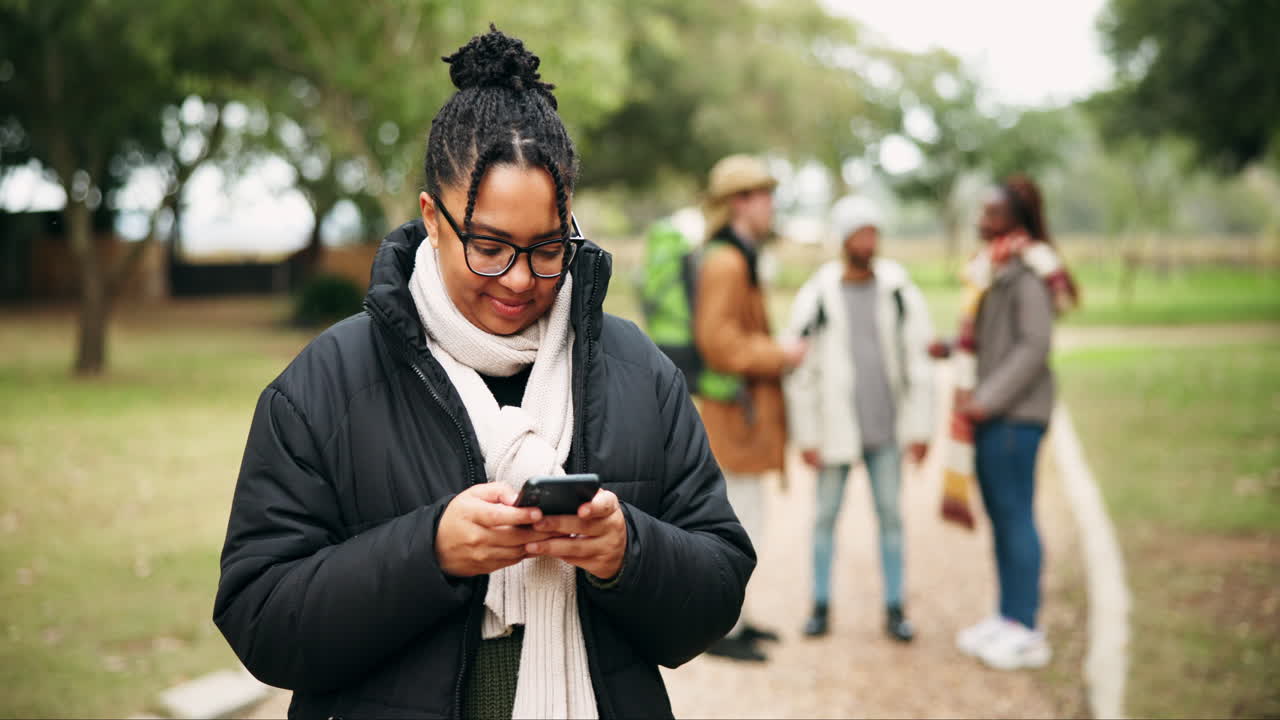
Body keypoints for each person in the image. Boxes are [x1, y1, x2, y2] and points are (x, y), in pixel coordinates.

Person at [212, 27, 754, 719]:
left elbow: (719, 587)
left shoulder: (640, 373)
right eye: (490, 247)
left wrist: (629, 551)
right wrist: (429, 552)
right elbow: (260, 618)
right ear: (433, 218)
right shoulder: (324, 384)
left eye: (548, 248)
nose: (520, 279)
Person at [940, 175, 1079, 670]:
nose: (982, 220)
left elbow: (1033, 346)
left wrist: (985, 400)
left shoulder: (1029, 271)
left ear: (1016, 218)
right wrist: (947, 347)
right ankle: (1008, 616)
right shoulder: (992, 268)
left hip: (1015, 417)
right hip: (997, 414)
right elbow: (990, 339)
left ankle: (1027, 630)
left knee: (1016, 516)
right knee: (1002, 516)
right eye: (982, 211)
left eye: (992, 212)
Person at [784, 195, 935, 642]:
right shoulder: (816, 295)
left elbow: (919, 363)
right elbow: (801, 373)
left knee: (891, 519)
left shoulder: (899, 290)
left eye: (874, 232)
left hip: (887, 431)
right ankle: (820, 606)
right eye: (860, 233)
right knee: (824, 519)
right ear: (844, 239)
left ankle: (895, 607)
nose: (869, 241)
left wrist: (921, 428)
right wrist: (807, 436)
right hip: (834, 433)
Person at [692, 154, 807, 662]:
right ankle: (722, 630)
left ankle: (740, 617)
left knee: (747, 519)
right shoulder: (727, 261)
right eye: (764, 195)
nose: (771, 205)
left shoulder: (737, 255)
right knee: (737, 525)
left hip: (738, 414)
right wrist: (780, 353)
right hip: (731, 417)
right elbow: (719, 343)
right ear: (739, 202)